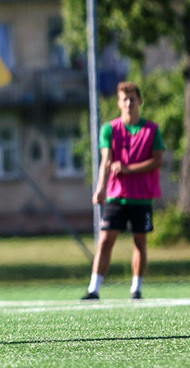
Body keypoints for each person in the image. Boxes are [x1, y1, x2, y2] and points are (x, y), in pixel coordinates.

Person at [82, 81, 165, 301]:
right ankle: (94, 288)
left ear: (140, 101)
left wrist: (128, 169)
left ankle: (136, 288)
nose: (129, 103)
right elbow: (106, 160)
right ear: (119, 103)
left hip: (142, 196)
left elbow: (157, 160)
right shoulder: (109, 129)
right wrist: (100, 188)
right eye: (124, 99)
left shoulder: (151, 130)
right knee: (105, 240)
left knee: (139, 241)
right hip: (116, 195)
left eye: (133, 99)